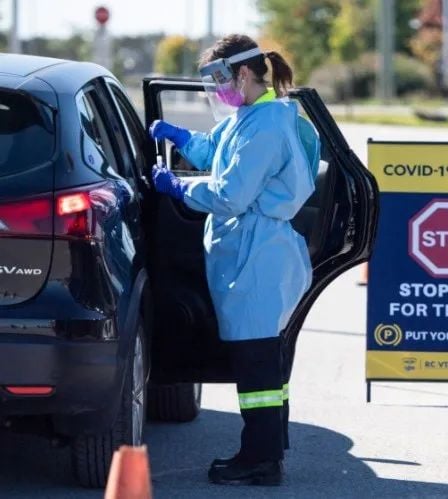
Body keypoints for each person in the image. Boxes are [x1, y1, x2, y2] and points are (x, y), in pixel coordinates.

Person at [149, 34, 320, 486]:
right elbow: (217, 152)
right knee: (265, 360)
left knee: (257, 364)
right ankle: (270, 448)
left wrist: (179, 187)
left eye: (219, 80)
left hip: (258, 256)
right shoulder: (252, 116)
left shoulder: (266, 126)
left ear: (243, 73)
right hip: (253, 252)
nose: (216, 91)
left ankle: (258, 461)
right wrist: (181, 138)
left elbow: (230, 192)